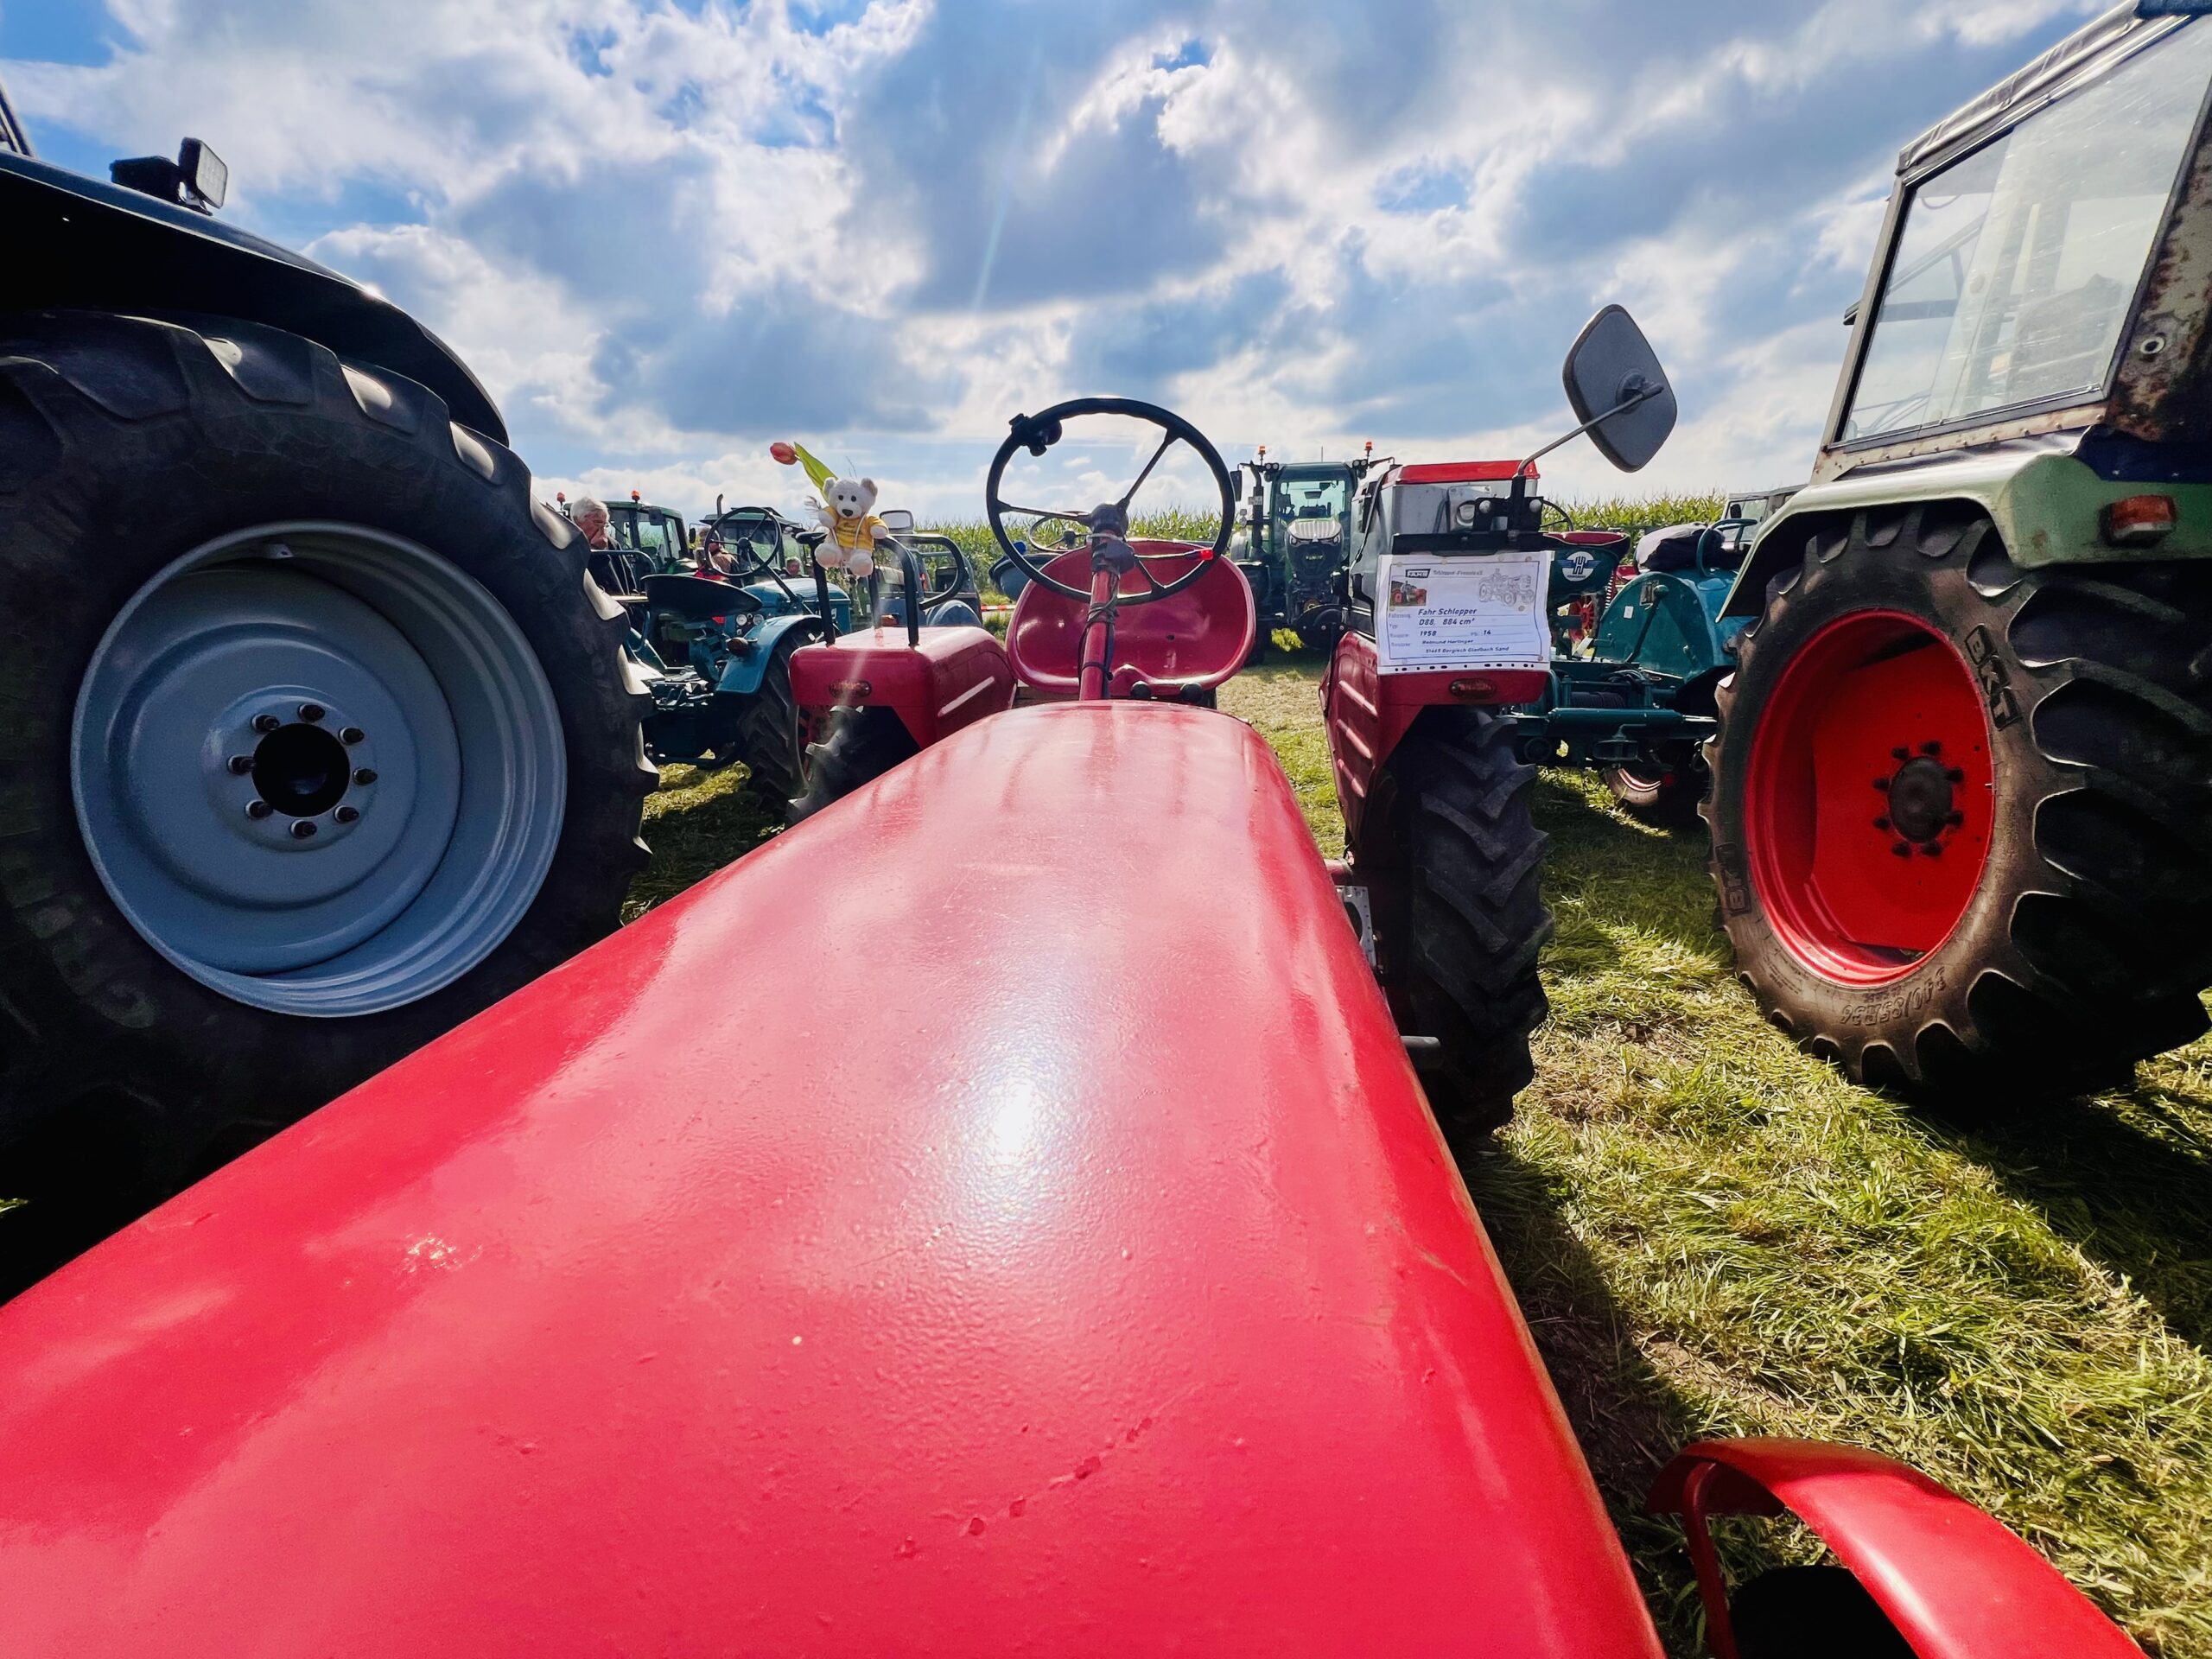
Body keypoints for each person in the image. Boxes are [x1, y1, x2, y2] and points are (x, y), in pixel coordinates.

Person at [570, 495, 632, 595]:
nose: (602, 530)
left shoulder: (613, 545)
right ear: (577, 521)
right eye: (598, 523)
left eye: (605, 525)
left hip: (617, 602)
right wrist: (595, 553)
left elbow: (628, 580)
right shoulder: (566, 546)